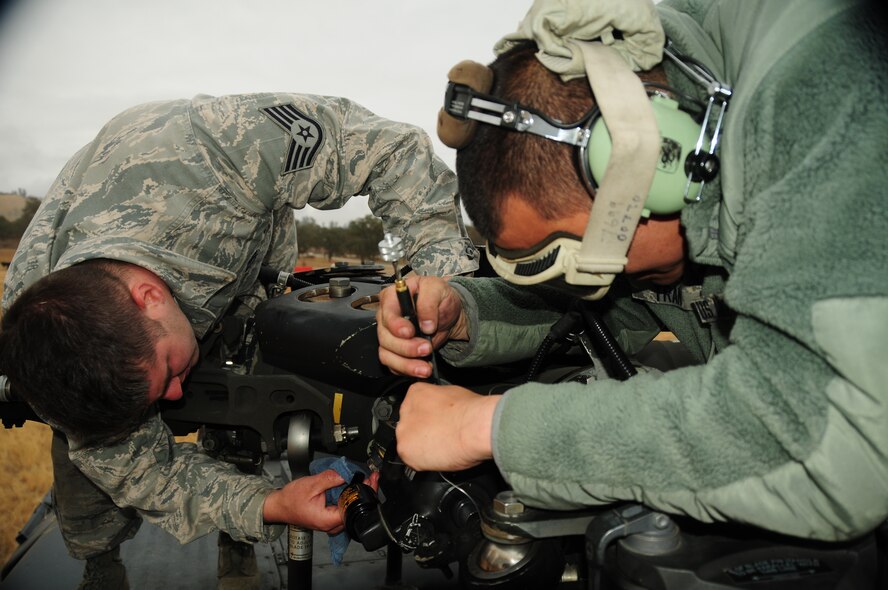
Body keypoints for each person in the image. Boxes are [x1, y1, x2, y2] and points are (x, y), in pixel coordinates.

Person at [377, 0, 888, 545]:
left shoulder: (818, 85)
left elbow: (830, 439)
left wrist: (487, 427)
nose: (599, 285)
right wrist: (466, 314)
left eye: (592, 265)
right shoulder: (696, 126)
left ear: (648, 159)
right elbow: (621, 311)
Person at [0, 91, 478, 588]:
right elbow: (142, 472)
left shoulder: (223, 148)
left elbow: (390, 150)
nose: (174, 396)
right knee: (90, 460)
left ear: (148, 297)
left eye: (165, 372)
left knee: (242, 392)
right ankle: (99, 564)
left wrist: (449, 292)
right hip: (124, 279)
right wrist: (270, 505)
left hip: (236, 256)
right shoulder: (41, 342)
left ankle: (238, 549)